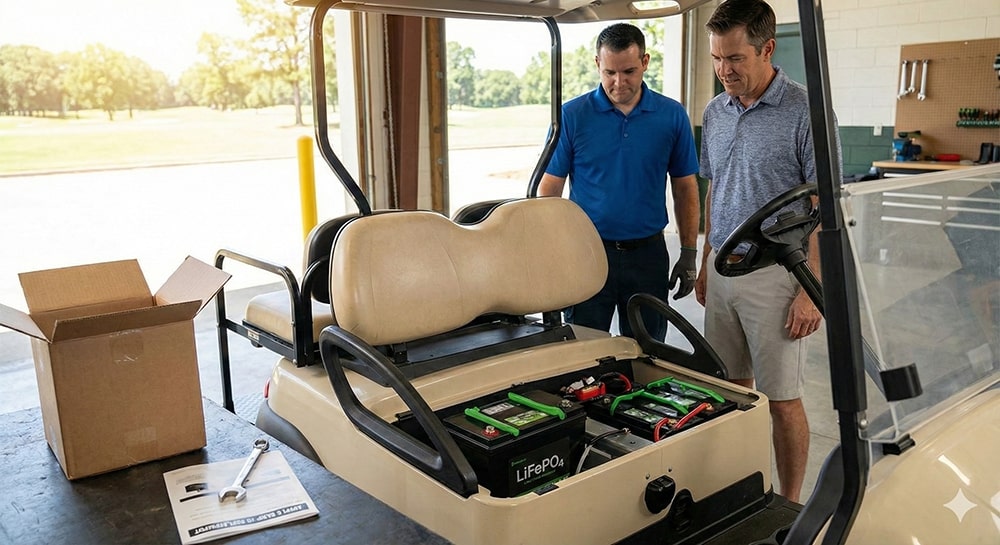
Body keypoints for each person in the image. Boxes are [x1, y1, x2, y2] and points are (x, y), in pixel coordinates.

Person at [694, 0, 837, 504]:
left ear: (767, 48)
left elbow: (825, 206)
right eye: (716, 58)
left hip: (778, 274)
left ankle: (790, 505)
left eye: (735, 58)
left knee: (781, 400)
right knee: (734, 392)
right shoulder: (716, 111)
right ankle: (745, 490)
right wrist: (705, 260)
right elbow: (715, 187)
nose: (723, 70)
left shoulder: (806, 112)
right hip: (724, 269)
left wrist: (810, 289)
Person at [538, 22, 701, 341]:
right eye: (609, 72)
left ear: (645, 62)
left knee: (648, 350)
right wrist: (552, 252)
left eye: (628, 72)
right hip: (587, 253)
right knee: (583, 347)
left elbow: (685, 189)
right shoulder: (571, 116)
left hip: (648, 256)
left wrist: (689, 252)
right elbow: (549, 191)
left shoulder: (672, 116)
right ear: (597, 63)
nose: (618, 82)